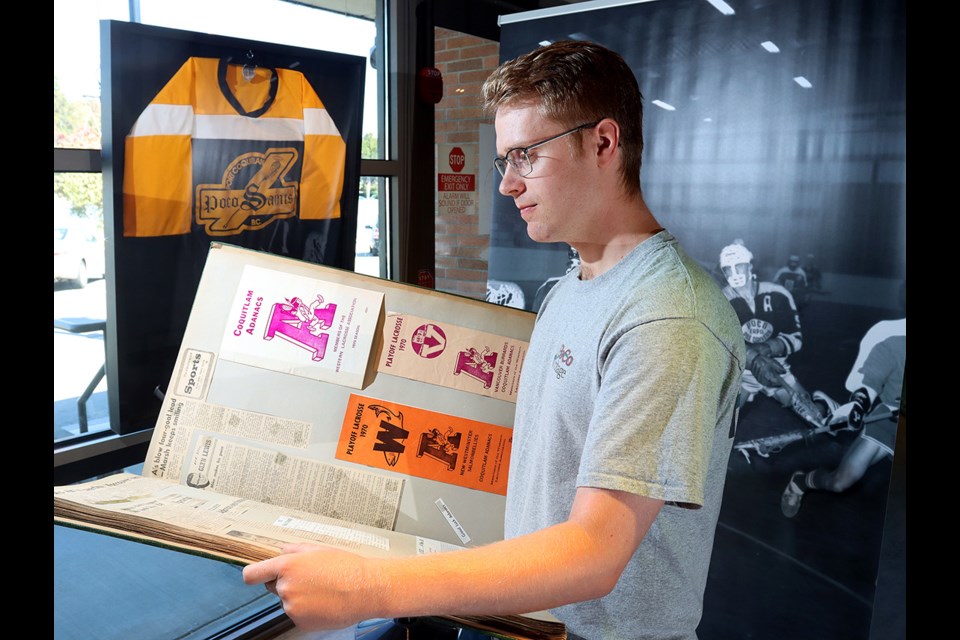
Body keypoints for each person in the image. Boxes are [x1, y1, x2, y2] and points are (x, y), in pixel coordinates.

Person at [242, 40, 745, 640]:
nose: (507, 184)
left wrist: (365, 586)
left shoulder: (667, 317)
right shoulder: (574, 285)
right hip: (518, 615)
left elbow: (594, 552)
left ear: (604, 143)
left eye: (526, 156)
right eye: (505, 159)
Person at [780, 313, 905, 518]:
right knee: (840, 482)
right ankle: (801, 482)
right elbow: (868, 386)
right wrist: (857, 406)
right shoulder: (892, 340)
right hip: (889, 420)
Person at [718, 242, 828, 428]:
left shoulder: (778, 293)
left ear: (750, 266)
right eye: (728, 269)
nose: (734, 272)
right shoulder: (721, 301)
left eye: (739, 266)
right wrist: (753, 358)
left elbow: (796, 338)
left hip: (776, 370)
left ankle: (825, 404)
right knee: (719, 423)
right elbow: (722, 342)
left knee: (815, 416)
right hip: (743, 375)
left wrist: (766, 348)